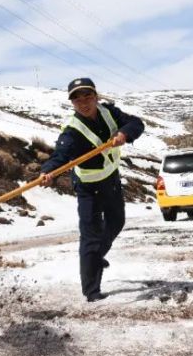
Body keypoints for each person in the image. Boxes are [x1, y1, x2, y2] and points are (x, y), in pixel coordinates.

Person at [39, 78, 144, 302]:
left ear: (96, 96)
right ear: (72, 104)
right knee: (91, 236)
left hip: (111, 179)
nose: (83, 102)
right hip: (88, 188)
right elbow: (60, 156)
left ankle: (96, 257)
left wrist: (124, 134)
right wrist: (48, 171)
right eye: (77, 99)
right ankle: (92, 291)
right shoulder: (71, 131)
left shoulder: (110, 112)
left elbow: (136, 123)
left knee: (116, 222)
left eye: (87, 96)